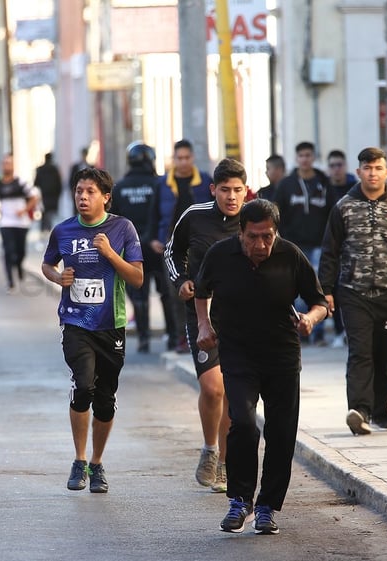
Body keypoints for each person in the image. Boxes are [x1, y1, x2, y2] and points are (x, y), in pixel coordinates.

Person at [195, 199, 328, 534]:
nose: (261, 244)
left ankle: (268, 506)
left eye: (267, 236)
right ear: (241, 232)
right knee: (242, 423)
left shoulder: (290, 255)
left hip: (282, 354)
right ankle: (240, 501)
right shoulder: (221, 255)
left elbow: (319, 302)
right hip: (238, 353)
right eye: (253, 237)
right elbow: (201, 290)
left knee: (281, 432)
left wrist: (311, 319)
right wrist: (204, 326)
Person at [41, 166, 144, 494]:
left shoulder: (122, 228)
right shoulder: (63, 230)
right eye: (78, 192)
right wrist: (58, 278)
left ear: (106, 197)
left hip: (110, 324)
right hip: (75, 322)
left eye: (90, 192)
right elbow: (47, 263)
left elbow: (138, 278)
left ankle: (97, 463)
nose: (82, 197)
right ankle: (79, 458)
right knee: (83, 385)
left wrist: (110, 253)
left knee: (105, 399)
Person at [164, 157, 248, 494]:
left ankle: (227, 464)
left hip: (242, 315)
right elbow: (172, 253)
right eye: (225, 190)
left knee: (232, 391)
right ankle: (210, 448)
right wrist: (181, 281)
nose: (231, 196)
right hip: (201, 311)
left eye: (237, 190)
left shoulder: (255, 219)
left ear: (246, 191)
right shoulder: (195, 216)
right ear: (213, 189)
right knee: (213, 388)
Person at [318, 147, 387, 435]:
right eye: (367, 168)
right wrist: (326, 291)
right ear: (359, 171)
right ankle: (359, 410)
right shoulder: (344, 207)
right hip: (353, 292)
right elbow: (330, 251)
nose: (373, 173)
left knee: (384, 353)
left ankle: (382, 410)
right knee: (360, 351)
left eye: (378, 168)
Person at [110, 142, 178, 353]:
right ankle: (173, 336)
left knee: (138, 294)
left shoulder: (119, 188)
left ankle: (143, 338)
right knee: (167, 292)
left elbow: (113, 219)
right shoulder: (160, 184)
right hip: (157, 246)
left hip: (130, 248)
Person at [149, 139, 213, 352]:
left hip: (201, 247)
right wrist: (154, 239)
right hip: (172, 248)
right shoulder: (162, 184)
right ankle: (181, 338)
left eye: (187, 157)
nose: (183, 162)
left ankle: (206, 334)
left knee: (204, 291)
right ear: (173, 160)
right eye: (179, 158)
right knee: (175, 292)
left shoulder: (204, 181)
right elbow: (155, 214)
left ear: (192, 158)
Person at [274, 142, 334, 344]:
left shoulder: (324, 182)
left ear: (314, 157)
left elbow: (333, 212)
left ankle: (316, 333)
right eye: (301, 155)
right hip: (294, 245)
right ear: (296, 158)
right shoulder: (286, 184)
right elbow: (276, 213)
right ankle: (299, 332)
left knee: (316, 289)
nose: (305, 159)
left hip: (319, 244)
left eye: (308, 155)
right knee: (295, 289)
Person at [0, 153, 39, 292]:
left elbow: (34, 197)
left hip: (21, 222)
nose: (6, 166)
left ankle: (19, 266)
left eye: (9, 163)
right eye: (4, 163)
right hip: (5, 222)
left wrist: (24, 209)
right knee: (8, 251)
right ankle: (10, 282)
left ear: (13, 166)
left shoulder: (20, 182)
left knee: (20, 251)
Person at [324, 149, 357, 348]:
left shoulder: (354, 188)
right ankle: (339, 331)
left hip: (353, 247)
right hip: (331, 246)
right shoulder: (324, 189)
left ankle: (350, 330)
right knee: (334, 290)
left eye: (339, 165)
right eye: (333, 165)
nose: (337, 169)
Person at [34, 152, 63, 234]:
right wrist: (58, 194)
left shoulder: (40, 169)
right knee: (50, 213)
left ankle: (44, 229)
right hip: (53, 195)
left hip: (44, 194)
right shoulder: (55, 169)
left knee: (44, 212)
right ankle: (49, 228)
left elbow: (36, 182)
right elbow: (59, 183)